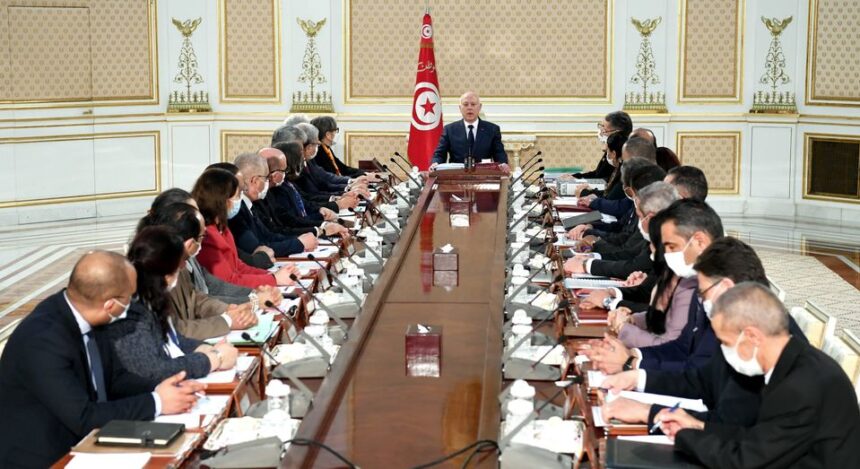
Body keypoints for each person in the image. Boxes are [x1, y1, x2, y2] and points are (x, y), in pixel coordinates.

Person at [0, 251, 205, 468]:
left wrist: (163, 389)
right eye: (130, 297)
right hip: (46, 457)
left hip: (90, 442)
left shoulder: (88, 313)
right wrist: (157, 402)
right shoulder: (43, 340)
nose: (133, 304)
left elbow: (115, 379)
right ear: (110, 305)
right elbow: (84, 417)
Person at [601, 238, 808, 433]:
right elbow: (700, 380)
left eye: (702, 292)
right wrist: (637, 378)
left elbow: (731, 428)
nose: (701, 300)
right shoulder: (741, 322)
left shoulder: (760, 340)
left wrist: (649, 413)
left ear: (725, 287)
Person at [661, 283, 860, 468]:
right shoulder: (796, 360)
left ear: (752, 336)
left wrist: (684, 436)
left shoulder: (797, 388)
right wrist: (699, 426)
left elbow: (746, 461)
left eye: (726, 342)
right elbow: (758, 438)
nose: (723, 350)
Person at [580, 199, 724, 373]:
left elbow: (676, 349)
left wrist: (627, 346)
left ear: (700, 241)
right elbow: (668, 323)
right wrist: (634, 320)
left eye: (671, 247)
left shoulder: (706, 284)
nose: (666, 254)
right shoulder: (688, 274)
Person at [105, 226, 239, 382]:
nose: (182, 268)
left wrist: (207, 348)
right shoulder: (131, 312)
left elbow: (175, 340)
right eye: (178, 265)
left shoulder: (153, 298)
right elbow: (155, 371)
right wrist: (213, 359)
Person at [148, 202, 260, 340]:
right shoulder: (151, 272)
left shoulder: (180, 262)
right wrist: (228, 321)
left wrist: (228, 310)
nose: (203, 243)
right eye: (202, 237)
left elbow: (195, 299)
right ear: (190, 243)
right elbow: (176, 330)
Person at [192, 168, 298, 288]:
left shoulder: (222, 228)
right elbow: (229, 281)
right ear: (223, 200)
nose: (240, 200)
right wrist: (273, 279)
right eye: (238, 196)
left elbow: (238, 266)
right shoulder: (207, 237)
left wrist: (272, 275)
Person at [230, 152, 317, 257]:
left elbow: (269, 235)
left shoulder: (250, 204)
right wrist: (298, 244)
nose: (268, 181)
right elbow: (256, 249)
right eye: (266, 178)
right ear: (255, 181)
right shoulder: (236, 211)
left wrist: (299, 240)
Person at [258, 146, 351, 238]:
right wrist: (320, 229)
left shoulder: (278, 187)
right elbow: (281, 228)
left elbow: (300, 207)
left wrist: (322, 223)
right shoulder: (270, 192)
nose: (304, 159)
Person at [430, 91, 509, 169]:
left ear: (480, 107)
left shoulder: (492, 129)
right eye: (465, 104)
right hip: (457, 174)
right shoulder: (449, 129)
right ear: (460, 108)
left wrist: (503, 164)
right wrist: (435, 163)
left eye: (473, 104)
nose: (469, 108)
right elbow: (439, 154)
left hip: (484, 174)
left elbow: (499, 153)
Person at [572, 111, 633, 180]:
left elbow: (607, 180)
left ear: (617, 133)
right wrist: (575, 177)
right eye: (601, 127)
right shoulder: (611, 147)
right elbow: (598, 174)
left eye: (604, 130)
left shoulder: (623, 154)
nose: (601, 132)